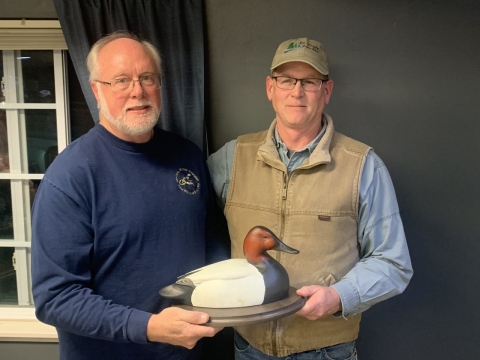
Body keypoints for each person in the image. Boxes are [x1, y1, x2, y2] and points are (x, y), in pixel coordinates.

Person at [207, 38, 413, 359]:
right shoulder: (231, 159)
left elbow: (393, 262)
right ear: (270, 88)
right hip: (249, 348)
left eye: (310, 82)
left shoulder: (363, 166)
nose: (296, 92)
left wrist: (338, 297)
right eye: (286, 80)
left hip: (326, 350)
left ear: (326, 91)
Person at [31, 31, 227, 360]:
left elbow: (210, 233)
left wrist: (224, 290)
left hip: (186, 353)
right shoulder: (71, 176)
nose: (138, 91)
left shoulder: (187, 156)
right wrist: (147, 327)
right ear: (96, 89)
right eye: (121, 80)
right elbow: (55, 298)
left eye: (147, 77)